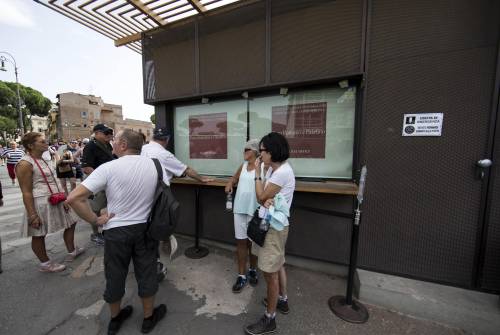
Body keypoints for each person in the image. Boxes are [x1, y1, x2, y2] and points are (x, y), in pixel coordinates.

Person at [67, 129, 167, 335]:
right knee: (147, 273)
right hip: (146, 229)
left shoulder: (108, 168)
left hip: (116, 231)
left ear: (123, 145)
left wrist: (95, 219)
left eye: (115, 141)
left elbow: (74, 198)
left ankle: (115, 319)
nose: (112, 143)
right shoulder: (156, 165)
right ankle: (148, 318)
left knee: (115, 275)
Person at [141, 127, 213, 282]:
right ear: (167, 140)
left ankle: (146, 266)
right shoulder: (164, 154)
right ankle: (155, 268)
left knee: (144, 234)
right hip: (155, 200)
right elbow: (186, 170)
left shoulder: (143, 148)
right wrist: (201, 179)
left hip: (139, 199)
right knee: (157, 232)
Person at [245, 132, 295, 335]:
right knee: (278, 263)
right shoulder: (275, 170)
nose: (260, 154)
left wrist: (257, 172)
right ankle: (282, 300)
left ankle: (270, 318)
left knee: (269, 272)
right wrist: (264, 171)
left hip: (273, 228)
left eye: (262, 151)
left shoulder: (282, 172)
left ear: (272, 152)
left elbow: (261, 196)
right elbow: (266, 197)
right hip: (273, 224)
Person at [16, 132, 84, 273]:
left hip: (57, 198)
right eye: (42, 141)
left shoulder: (44, 159)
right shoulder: (24, 163)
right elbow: (26, 192)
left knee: (72, 221)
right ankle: (45, 264)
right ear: (30, 145)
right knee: (39, 233)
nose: (46, 142)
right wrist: (32, 215)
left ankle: (72, 251)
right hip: (40, 202)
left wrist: (64, 197)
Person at [225, 139, 260, 293]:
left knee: (253, 244)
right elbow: (235, 178)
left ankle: (252, 269)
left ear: (255, 152)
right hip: (239, 209)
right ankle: (241, 275)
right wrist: (230, 183)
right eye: (244, 149)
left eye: (247, 150)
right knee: (241, 243)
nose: (244, 152)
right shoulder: (244, 166)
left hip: (255, 211)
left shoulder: (262, 167)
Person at [81, 124, 115, 245]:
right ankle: (95, 234)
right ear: (96, 133)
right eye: (105, 133)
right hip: (97, 183)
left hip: (108, 182)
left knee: (109, 206)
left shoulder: (107, 145)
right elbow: (86, 167)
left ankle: (107, 228)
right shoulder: (90, 146)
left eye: (109, 133)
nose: (108, 135)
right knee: (95, 209)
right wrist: (101, 179)